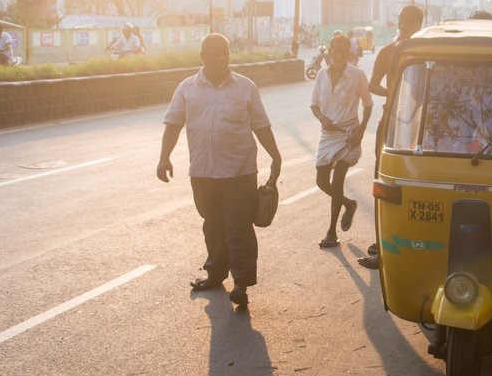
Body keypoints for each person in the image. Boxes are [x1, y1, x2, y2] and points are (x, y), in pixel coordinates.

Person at [156, 33, 282, 307]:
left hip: (239, 172)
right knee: (211, 224)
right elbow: (173, 123)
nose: (218, 58)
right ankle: (215, 274)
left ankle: (241, 283)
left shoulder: (245, 87)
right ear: (202, 57)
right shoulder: (187, 88)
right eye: (212, 53)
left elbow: (261, 125)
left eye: (223, 53)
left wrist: (275, 156)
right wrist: (164, 157)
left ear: (229, 56)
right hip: (203, 172)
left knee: (238, 227)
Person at [358, 5, 424, 269]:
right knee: (384, 180)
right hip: (392, 121)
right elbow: (373, 84)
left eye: (412, 24)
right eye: (404, 23)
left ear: (420, 24)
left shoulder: (425, 51)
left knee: (413, 184)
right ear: (399, 23)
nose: (407, 28)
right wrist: (394, 94)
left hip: (421, 124)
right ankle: (383, 241)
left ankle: (406, 239)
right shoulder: (389, 52)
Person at [311, 34, 372, 248]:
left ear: (347, 52)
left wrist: (361, 129)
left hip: (349, 135)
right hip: (328, 135)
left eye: (341, 50)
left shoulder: (357, 75)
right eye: (334, 50)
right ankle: (349, 203)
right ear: (329, 50)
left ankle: (331, 232)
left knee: (337, 182)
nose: (337, 54)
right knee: (321, 181)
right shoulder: (321, 74)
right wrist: (322, 118)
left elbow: (368, 104)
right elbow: (314, 105)